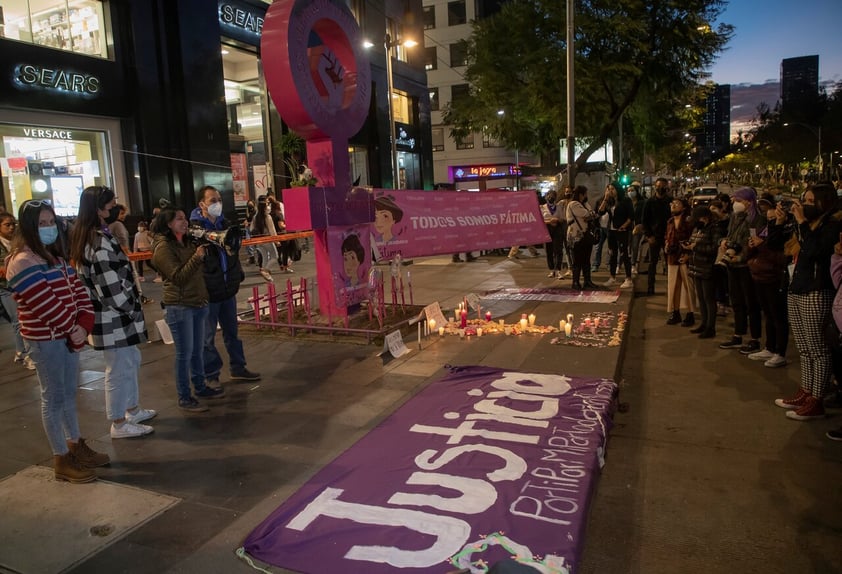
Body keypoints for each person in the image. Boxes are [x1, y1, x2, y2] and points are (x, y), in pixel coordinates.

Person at [6, 199, 109, 482]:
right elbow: (44, 304)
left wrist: (82, 325)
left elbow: (80, 295)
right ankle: (61, 457)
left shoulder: (56, 259)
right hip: (45, 341)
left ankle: (75, 444)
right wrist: (72, 328)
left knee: (66, 395)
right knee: (52, 398)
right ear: (28, 228)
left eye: (51, 223)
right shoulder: (21, 261)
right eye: (42, 224)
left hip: (65, 337)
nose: (49, 228)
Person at [69, 186, 156, 439]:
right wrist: (131, 305)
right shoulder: (97, 241)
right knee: (118, 368)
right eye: (111, 203)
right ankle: (119, 422)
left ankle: (131, 409)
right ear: (99, 208)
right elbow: (111, 288)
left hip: (113, 316)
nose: (115, 206)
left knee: (129, 362)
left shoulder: (92, 236)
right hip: (112, 317)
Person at [774, 183, 841, 421]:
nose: (806, 204)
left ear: (825, 202)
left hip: (816, 291)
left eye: (811, 201)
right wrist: (783, 221)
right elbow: (778, 245)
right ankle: (806, 391)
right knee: (804, 347)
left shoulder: (831, 226)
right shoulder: (805, 226)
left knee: (817, 349)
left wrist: (802, 222)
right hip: (797, 287)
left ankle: (817, 399)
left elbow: (814, 252)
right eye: (805, 200)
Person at [151, 206, 225, 412]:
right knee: (184, 354)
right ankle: (184, 396)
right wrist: (197, 257)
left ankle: (200, 387)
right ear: (168, 224)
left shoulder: (186, 242)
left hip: (197, 302)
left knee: (197, 351)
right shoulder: (163, 248)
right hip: (180, 306)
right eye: (179, 219)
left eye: (184, 218)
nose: (185, 222)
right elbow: (178, 277)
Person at [189, 185, 260, 386]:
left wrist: (237, 275)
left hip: (228, 289)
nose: (217, 204)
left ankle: (238, 368)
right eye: (212, 200)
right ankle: (211, 376)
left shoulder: (226, 224)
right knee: (207, 338)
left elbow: (233, 254)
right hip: (209, 292)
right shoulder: (194, 230)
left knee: (232, 333)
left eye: (219, 199)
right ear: (202, 204)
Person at [717, 187, 765, 353]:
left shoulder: (756, 219)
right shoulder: (735, 217)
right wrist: (724, 242)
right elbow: (729, 235)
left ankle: (755, 338)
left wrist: (741, 256)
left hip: (746, 266)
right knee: (737, 302)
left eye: (738, 200)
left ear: (748, 201)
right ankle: (738, 334)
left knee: (751, 303)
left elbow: (753, 243)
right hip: (732, 265)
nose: (735, 203)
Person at [745, 194, 789, 368]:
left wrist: (760, 245)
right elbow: (757, 251)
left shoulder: (785, 233)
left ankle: (780, 352)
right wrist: (752, 247)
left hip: (774, 278)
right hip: (760, 275)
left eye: (774, 218)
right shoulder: (766, 229)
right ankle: (769, 347)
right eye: (768, 218)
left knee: (778, 316)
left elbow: (780, 256)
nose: (771, 221)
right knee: (768, 315)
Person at [0, 212, 34, 370]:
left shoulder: (17, 242)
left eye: (13, 224)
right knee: (17, 321)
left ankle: (21, 352)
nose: (12, 227)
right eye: (7, 224)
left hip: (21, 284)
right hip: (6, 288)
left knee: (20, 320)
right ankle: (25, 354)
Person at [687, 206, 722, 338]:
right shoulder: (698, 228)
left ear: (704, 217)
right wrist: (689, 245)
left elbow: (714, 248)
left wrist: (696, 247)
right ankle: (703, 323)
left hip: (708, 267)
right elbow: (692, 241)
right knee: (701, 298)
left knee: (708, 298)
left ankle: (710, 327)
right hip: (696, 266)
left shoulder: (714, 229)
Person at [664, 198, 697, 326]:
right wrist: (666, 244)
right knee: (674, 286)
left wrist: (688, 254)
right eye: (672, 204)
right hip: (672, 256)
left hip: (684, 256)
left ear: (683, 207)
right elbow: (667, 236)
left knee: (688, 286)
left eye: (676, 204)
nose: (673, 205)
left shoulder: (688, 221)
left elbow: (693, 238)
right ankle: (675, 312)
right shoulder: (670, 221)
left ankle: (690, 313)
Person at [597, 182, 634, 289]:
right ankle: (612, 277)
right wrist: (605, 198)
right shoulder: (610, 201)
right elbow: (600, 212)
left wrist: (624, 226)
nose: (611, 191)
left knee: (624, 254)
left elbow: (631, 216)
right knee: (612, 253)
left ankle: (628, 278)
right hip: (611, 230)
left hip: (622, 230)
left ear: (617, 189)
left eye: (612, 189)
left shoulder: (625, 200)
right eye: (609, 189)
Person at [641, 177, 672, 295]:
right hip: (654, 236)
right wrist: (649, 235)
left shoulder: (670, 201)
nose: (660, 189)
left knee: (670, 262)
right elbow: (645, 220)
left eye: (663, 187)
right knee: (652, 263)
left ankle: (671, 288)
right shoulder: (649, 202)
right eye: (659, 186)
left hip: (668, 236)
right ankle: (650, 287)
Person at [566, 185, 598, 290]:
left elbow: (592, 214)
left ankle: (587, 281)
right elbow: (586, 214)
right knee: (577, 260)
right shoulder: (573, 204)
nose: (586, 196)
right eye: (585, 194)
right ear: (581, 194)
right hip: (576, 237)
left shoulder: (584, 204)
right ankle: (575, 282)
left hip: (585, 236)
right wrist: (590, 215)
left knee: (586, 259)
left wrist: (590, 214)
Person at [250, 194, 279, 282]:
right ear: (265, 206)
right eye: (267, 204)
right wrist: (276, 241)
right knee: (275, 256)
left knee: (265, 256)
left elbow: (251, 229)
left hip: (258, 241)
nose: (268, 205)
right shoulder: (268, 217)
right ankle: (265, 270)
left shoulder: (255, 217)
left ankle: (267, 276)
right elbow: (272, 230)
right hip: (267, 240)